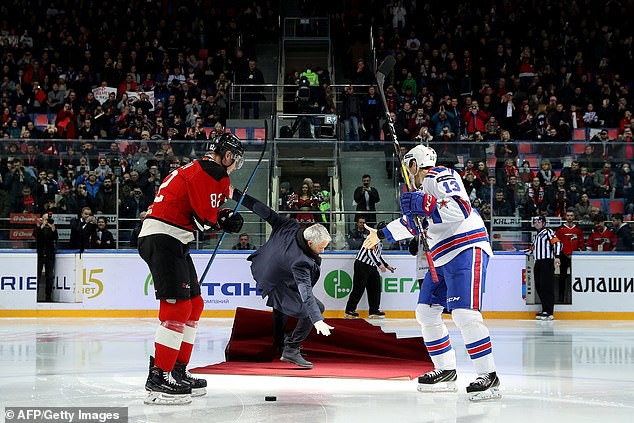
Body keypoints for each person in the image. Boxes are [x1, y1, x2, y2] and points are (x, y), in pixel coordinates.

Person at [363, 145, 500, 401]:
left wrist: (428, 204)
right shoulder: (420, 191)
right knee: (426, 312)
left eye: (408, 166)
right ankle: (446, 370)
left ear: (415, 164)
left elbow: (461, 210)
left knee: (464, 314)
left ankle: (488, 375)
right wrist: (381, 234)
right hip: (440, 256)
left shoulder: (440, 176)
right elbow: (412, 225)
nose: (406, 172)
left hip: (466, 248)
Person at [137, 133, 246, 405]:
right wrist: (224, 221)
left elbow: (200, 213)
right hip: (164, 238)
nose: (234, 166)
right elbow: (203, 223)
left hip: (171, 238)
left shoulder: (199, 169)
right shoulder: (213, 173)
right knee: (177, 309)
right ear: (228, 155)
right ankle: (158, 378)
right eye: (236, 160)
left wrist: (221, 217)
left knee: (194, 304)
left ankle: (176, 370)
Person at [232, 188, 334, 369]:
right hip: (276, 280)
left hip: (267, 269)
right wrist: (317, 319)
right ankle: (291, 349)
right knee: (317, 307)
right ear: (310, 243)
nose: (324, 251)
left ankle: (279, 345)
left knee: (281, 308)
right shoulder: (300, 261)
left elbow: (263, 210)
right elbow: (306, 294)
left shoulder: (289, 225)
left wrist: (236, 195)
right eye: (322, 247)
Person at [344, 240, 394, 319]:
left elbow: (377, 255)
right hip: (362, 264)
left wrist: (386, 265)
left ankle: (374, 310)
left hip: (372, 266)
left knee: (375, 288)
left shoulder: (380, 242)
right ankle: (349, 310)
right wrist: (379, 265)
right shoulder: (371, 239)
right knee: (359, 288)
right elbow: (369, 252)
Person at [530, 215, 562, 320]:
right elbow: (532, 249)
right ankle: (545, 309)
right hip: (538, 262)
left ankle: (549, 311)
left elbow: (557, 243)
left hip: (547, 262)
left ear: (544, 223)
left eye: (539, 221)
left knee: (546, 286)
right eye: (535, 222)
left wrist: (557, 257)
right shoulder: (536, 236)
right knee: (539, 285)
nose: (537, 223)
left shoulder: (548, 232)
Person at [555, 210, 585, 303]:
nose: (569, 217)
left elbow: (581, 243)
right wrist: (558, 255)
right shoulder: (560, 229)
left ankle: (577, 297)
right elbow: (556, 242)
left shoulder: (578, 230)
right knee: (562, 277)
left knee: (576, 277)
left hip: (575, 256)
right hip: (563, 255)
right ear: (565, 216)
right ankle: (561, 297)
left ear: (574, 216)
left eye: (571, 215)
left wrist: (580, 252)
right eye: (568, 215)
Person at [35, 212, 58, 302]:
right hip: (40, 255)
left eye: (48, 219)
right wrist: (41, 226)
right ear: (42, 220)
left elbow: (55, 238)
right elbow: (37, 237)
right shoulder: (38, 228)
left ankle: (48, 296)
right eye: (45, 219)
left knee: (49, 276)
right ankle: (35, 294)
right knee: (37, 275)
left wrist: (53, 229)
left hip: (49, 255)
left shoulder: (52, 228)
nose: (47, 221)